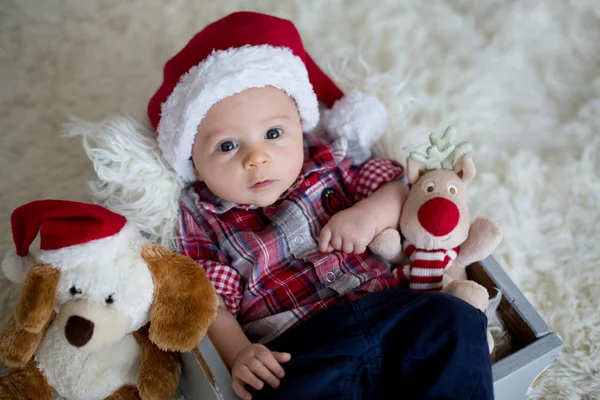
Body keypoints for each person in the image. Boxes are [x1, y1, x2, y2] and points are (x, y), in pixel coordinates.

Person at [145, 11, 493, 400]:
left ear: (301, 125)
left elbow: (401, 192)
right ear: (192, 160)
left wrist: (366, 215)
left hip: (390, 306)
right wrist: (240, 352)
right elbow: (209, 300)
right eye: (227, 146)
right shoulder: (201, 216)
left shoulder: (328, 161)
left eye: (274, 133)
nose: (256, 158)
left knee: (455, 319)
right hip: (303, 346)